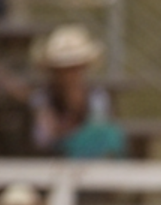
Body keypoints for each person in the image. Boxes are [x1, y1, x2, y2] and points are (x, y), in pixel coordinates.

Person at [29, 24, 125, 159]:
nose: (70, 75)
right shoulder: (42, 98)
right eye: (64, 69)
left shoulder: (97, 96)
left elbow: (101, 133)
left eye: (75, 68)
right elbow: (42, 139)